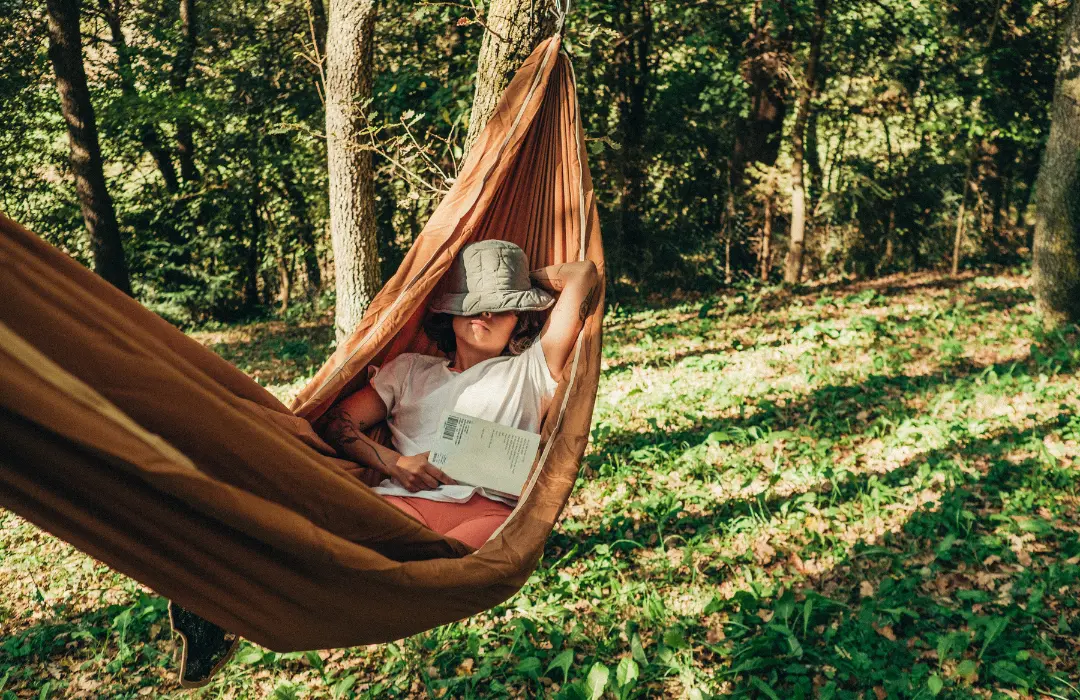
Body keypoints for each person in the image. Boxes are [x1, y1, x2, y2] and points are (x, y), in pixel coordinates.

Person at [320, 239, 599, 549]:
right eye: (473, 301)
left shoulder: (532, 368)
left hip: (488, 515)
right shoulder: (409, 370)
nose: (485, 312)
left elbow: (582, 274)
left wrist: (516, 280)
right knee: (346, 545)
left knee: (441, 569)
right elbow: (336, 421)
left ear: (519, 320)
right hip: (404, 502)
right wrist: (395, 463)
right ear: (451, 313)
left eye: (501, 305)